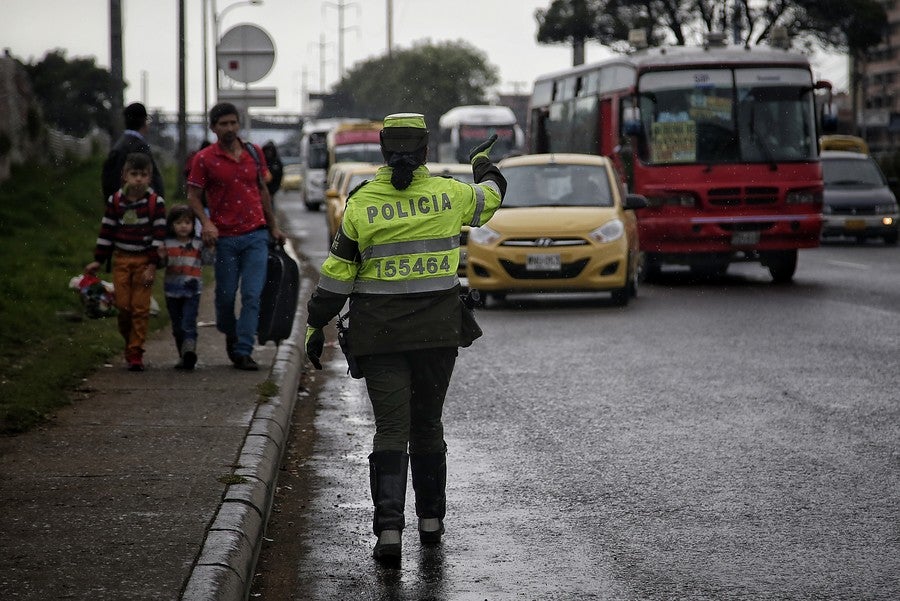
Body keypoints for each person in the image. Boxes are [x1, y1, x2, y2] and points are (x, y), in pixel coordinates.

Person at [304, 113, 506, 565]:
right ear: (425, 152)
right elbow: (492, 198)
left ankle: (389, 532)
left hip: (380, 338)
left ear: (381, 150)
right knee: (428, 425)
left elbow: (336, 279)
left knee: (391, 429)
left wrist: (315, 325)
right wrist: (482, 164)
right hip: (437, 336)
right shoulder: (449, 196)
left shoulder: (361, 204)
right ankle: (431, 523)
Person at [186, 102, 285, 371]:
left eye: (233, 123)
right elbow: (193, 196)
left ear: (239, 124)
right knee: (227, 296)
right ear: (213, 128)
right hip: (225, 239)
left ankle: (244, 350)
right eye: (223, 124)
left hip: (256, 235)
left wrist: (273, 227)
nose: (229, 128)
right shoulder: (204, 159)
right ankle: (231, 333)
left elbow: (263, 191)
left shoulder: (253, 153)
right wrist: (206, 223)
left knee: (252, 295)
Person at [85, 152, 167, 371]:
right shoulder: (116, 201)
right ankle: (129, 341)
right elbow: (107, 231)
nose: (138, 179)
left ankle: (135, 351)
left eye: (143, 174)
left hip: (144, 264)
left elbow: (159, 237)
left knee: (140, 308)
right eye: (134, 174)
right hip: (121, 260)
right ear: (125, 176)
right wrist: (98, 261)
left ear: (150, 177)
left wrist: (152, 266)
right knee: (123, 306)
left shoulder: (155, 202)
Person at [163, 205, 204, 371]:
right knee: (177, 325)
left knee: (188, 321)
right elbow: (161, 264)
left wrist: (211, 247)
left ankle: (189, 351)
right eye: (179, 222)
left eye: (187, 222)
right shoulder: (167, 244)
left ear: (193, 225)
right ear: (171, 225)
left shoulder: (198, 244)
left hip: (192, 291)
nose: (183, 226)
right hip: (172, 291)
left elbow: (208, 260)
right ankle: (183, 355)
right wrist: (161, 257)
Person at [101, 102, 165, 201]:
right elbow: (152, 179)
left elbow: (109, 181)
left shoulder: (119, 146)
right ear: (144, 121)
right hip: (139, 207)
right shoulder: (139, 147)